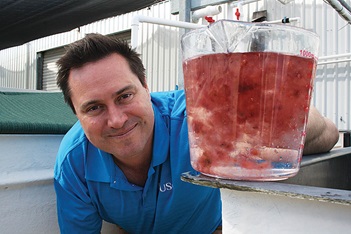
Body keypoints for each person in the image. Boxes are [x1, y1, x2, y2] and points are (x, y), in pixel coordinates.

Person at [54, 33, 339, 234]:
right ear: (77, 115)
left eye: (125, 96)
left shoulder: (201, 115)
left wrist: (276, 117)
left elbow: (328, 133)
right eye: (93, 108)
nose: (116, 120)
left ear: (145, 86)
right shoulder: (73, 162)